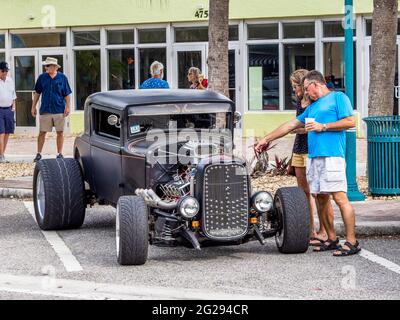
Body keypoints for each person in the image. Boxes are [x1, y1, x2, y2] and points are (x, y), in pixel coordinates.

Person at [255, 70, 361, 257]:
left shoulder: (338, 97)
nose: (305, 93)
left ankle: (352, 241)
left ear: (315, 84)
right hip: (315, 157)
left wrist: (324, 126)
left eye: (306, 88)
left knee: (340, 198)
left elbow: (351, 121)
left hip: (332, 156)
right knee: (320, 198)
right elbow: (290, 125)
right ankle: (331, 238)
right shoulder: (312, 107)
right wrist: (266, 139)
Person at [289, 69, 333, 246]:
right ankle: (310, 230)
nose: (294, 90)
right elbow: (299, 127)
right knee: (303, 193)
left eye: (295, 86)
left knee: (318, 192)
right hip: (299, 148)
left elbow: (308, 126)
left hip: (313, 149)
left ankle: (324, 230)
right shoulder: (300, 102)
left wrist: (300, 128)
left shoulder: (318, 101)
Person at [31, 57, 72, 162]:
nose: (46, 67)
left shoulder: (62, 78)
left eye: (48, 65)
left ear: (54, 67)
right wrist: (33, 106)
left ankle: (59, 153)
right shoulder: (42, 78)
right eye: (46, 65)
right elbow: (37, 93)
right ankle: (39, 153)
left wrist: (68, 107)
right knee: (42, 132)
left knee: (60, 132)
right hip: (45, 109)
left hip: (59, 109)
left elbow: (67, 94)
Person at [0, 62, 16, 163]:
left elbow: (13, 95)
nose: (5, 73)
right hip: (0, 109)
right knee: (1, 133)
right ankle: (1, 155)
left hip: (9, 109)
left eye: (6, 71)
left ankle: (2, 154)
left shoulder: (10, 80)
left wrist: (13, 107)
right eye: (3, 71)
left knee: (7, 133)